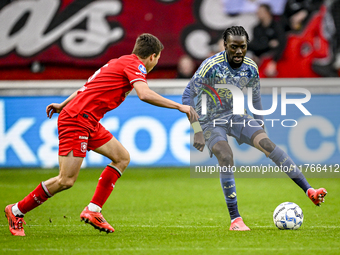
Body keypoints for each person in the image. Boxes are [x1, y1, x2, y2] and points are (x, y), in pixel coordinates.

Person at [5, 33, 196, 236]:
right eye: (157, 59)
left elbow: (85, 88)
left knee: (122, 157)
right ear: (153, 56)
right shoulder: (135, 66)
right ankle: (16, 210)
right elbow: (144, 94)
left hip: (88, 120)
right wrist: (179, 106)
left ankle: (93, 210)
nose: (155, 63)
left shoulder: (117, 62)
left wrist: (62, 104)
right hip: (77, 119)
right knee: (66, 180)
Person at [182, 26, 327, 231]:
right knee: (225, 155)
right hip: (210, 120)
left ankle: (309, 190)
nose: (239, 51)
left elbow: (256, 97)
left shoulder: (250, 66)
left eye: (243, 47)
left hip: (236, 115)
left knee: (268, 144)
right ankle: (236, 219)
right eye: (234, 47)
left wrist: (260, 124)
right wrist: (197, 129)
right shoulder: (211, 66)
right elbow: (187, 95)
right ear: (225, 46)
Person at [248, 4, 287, 77]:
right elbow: (255, 45)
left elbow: (281, 44)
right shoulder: (257, 28)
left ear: (268, 12)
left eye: (261, 11)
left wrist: (274, 61)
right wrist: (268, 44)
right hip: (260, 57)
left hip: (275, 58)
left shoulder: (277, 26)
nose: (258, 14)